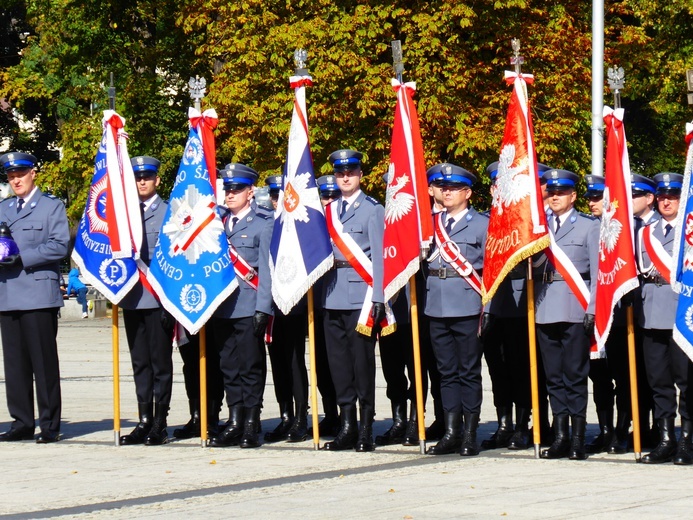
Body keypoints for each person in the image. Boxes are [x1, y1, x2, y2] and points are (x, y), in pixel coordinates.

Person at [0, 152, 69, 444]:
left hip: (39, 294)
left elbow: (59, 246)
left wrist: (21, 257)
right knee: (14, 364)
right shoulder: (2, 209)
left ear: (33, 174)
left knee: (43, 363)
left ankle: (50, 423)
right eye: (11, 176)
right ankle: (21, 422)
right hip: (6, 293)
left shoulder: (51, 207)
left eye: (21, 174)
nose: (16, 180)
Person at [321, 149, 385, 452]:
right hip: (331, 294)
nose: (345, 177)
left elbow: (380, 257)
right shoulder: (328, 211)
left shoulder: (373, 209)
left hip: (361, 297)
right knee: (339, 365)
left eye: (351, 172)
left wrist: (379, 296)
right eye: (340, 173)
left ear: (360, 175)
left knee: (362, 365)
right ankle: (346, 426)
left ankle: (365, 428)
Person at [534, 169, 599, 460]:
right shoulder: (536, 227)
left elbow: (599, 274)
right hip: (545, 305)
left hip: (575, 306)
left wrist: (593, 308)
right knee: (553, 377)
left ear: (573, 196)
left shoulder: (588, 226)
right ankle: (559, 437)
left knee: (574, 375)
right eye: (552, 192)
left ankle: (577, 439)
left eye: (562, 193)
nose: (555, 197)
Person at [424, 163, 488, 457]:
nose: (447, 192)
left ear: (468, 193)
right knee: (445, 372)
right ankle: (451, 431)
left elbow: (491, 269)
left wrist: (489, 308)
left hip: (467, 304)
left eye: (453, 188)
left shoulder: (481, 224)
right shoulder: (429, 222)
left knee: (468, 372)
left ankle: (470, 433)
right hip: (435, 304)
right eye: (443, 187)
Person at [209, 163, 273, 449]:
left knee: (251, 366)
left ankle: (251, 422)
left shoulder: (263, 224)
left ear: (250, 193)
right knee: (228, 366)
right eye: (228, 189)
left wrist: (264, 308)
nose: (230, 194)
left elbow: (267, 272)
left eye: (237, 189)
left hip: (248, 306)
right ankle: (234, 420)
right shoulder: (215, 225)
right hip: (222, 307)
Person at [637, 173, 693, 464]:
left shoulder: (690, 230)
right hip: (652, 313)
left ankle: (687, 440)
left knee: (687, 381)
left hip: (681, 314)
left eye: (672, 196)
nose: (666, 201)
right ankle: (665, 438)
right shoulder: (645, 231)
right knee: (658, 380)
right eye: (662, 197)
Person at [119, 156, 174, 446]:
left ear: (157, 181)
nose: (142, 181)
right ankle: (143, 419)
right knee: (140, 362)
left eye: (147, 177)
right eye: (138, 177)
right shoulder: (124, 214)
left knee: (160, 363)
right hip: (132, 297)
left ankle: (160, 422)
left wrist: (169, 303)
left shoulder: (169, 212)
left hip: (157, 298)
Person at [262, 174, 311, 444]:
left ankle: (301, 417)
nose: (277, 200)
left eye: (281, 195)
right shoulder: (266, 223)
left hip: (293, 303)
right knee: (277, 361)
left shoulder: (299, 226)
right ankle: (285, 415)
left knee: (294, 361)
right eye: (273, 195)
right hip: (270, 305)